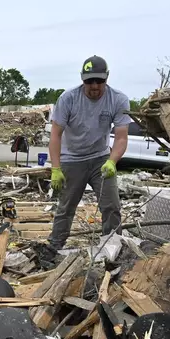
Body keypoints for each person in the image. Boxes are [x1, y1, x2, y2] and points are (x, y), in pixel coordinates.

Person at [47, 55, 132, 252]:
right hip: (72, 159)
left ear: (107, 78)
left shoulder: (118, 100)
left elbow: (121, 138)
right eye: (89, 81)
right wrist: (56, 168)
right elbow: (55, 135)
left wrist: (112, 161)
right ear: (82, 79)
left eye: (99, 81)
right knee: (66, 207)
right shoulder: (68, 99)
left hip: (101, 159)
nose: (94, 86)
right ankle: (54, 247)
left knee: (111, 206)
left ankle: (113, 248)